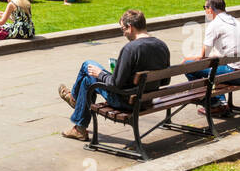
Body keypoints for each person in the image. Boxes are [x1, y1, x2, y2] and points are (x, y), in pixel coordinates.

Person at [58, 8, 170, 141]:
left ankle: (76, 104)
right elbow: (165, 81)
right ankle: (78, 121)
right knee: (88, 76)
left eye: (123, 29)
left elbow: (115, 84)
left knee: (87, 68)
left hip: (126, 101)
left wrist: (100, 74)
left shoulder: (131, 49)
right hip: (147, 99)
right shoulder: (162, 46)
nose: (123, 33)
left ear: (130, 27)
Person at [183, 0, 240, 115]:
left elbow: (203, 56)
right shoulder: (236, 22)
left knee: (189, 66)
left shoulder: (215, 24)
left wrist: (186, 59)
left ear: (210, 9)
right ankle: (220, 103)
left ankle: (213, 103)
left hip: (235, 74)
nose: (205, 11)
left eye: (205, 8)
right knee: (214, 68)